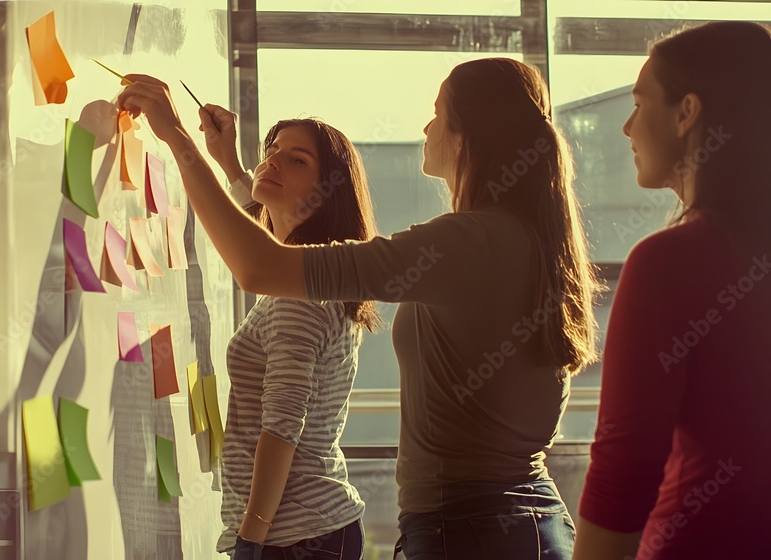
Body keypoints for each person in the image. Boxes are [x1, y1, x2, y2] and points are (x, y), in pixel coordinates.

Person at [117, 56, 600, 559]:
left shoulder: (467, 242)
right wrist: (233, 169)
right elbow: (286, 246)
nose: (426, 126)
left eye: (438, 113)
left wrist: (177, 138)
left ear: (468, 135)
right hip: (509, 523)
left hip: (473, 531)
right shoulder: (513, 237)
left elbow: (265, 267)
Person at [574, 21, 771, 560]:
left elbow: (625, 466)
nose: (628, 127)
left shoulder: (670, 262)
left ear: (687, 112)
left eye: (641, 103)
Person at [204, 115, 380, 559]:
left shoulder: (299, 299)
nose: (273, 162)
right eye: (272, 152)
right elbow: (261, 245)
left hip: (297, 539)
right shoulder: (305, 279)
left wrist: (251, 538)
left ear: (327, 196)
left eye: (296, 160)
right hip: (303, 532)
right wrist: (230, 165)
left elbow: (282, 425)